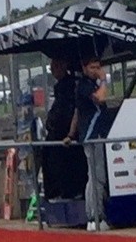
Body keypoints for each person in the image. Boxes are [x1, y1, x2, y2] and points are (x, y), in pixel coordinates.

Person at [64, 55, 112, 230]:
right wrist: (104, 80)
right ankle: (95, 216)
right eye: (93, 67)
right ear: (84, 68)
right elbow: (100, 98)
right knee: (97, 176)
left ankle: (93, 216)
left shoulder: (89, 85)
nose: (97, 71)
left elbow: (78, 112)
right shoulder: (85, 85)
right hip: (92, 135)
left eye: (98, 67)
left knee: (94, 176)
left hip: (94, 134)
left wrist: (71, 134)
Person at [42, 58, 87, 201]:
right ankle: (59, 192)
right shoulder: (60, 88)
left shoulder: (70, 87)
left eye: (55, 67)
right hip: (59, 137)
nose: (53, 71)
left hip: (66, 138)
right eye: (51, 68)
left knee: (66, 166)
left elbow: (70, 111)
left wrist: (68, 132)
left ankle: (68, 192)